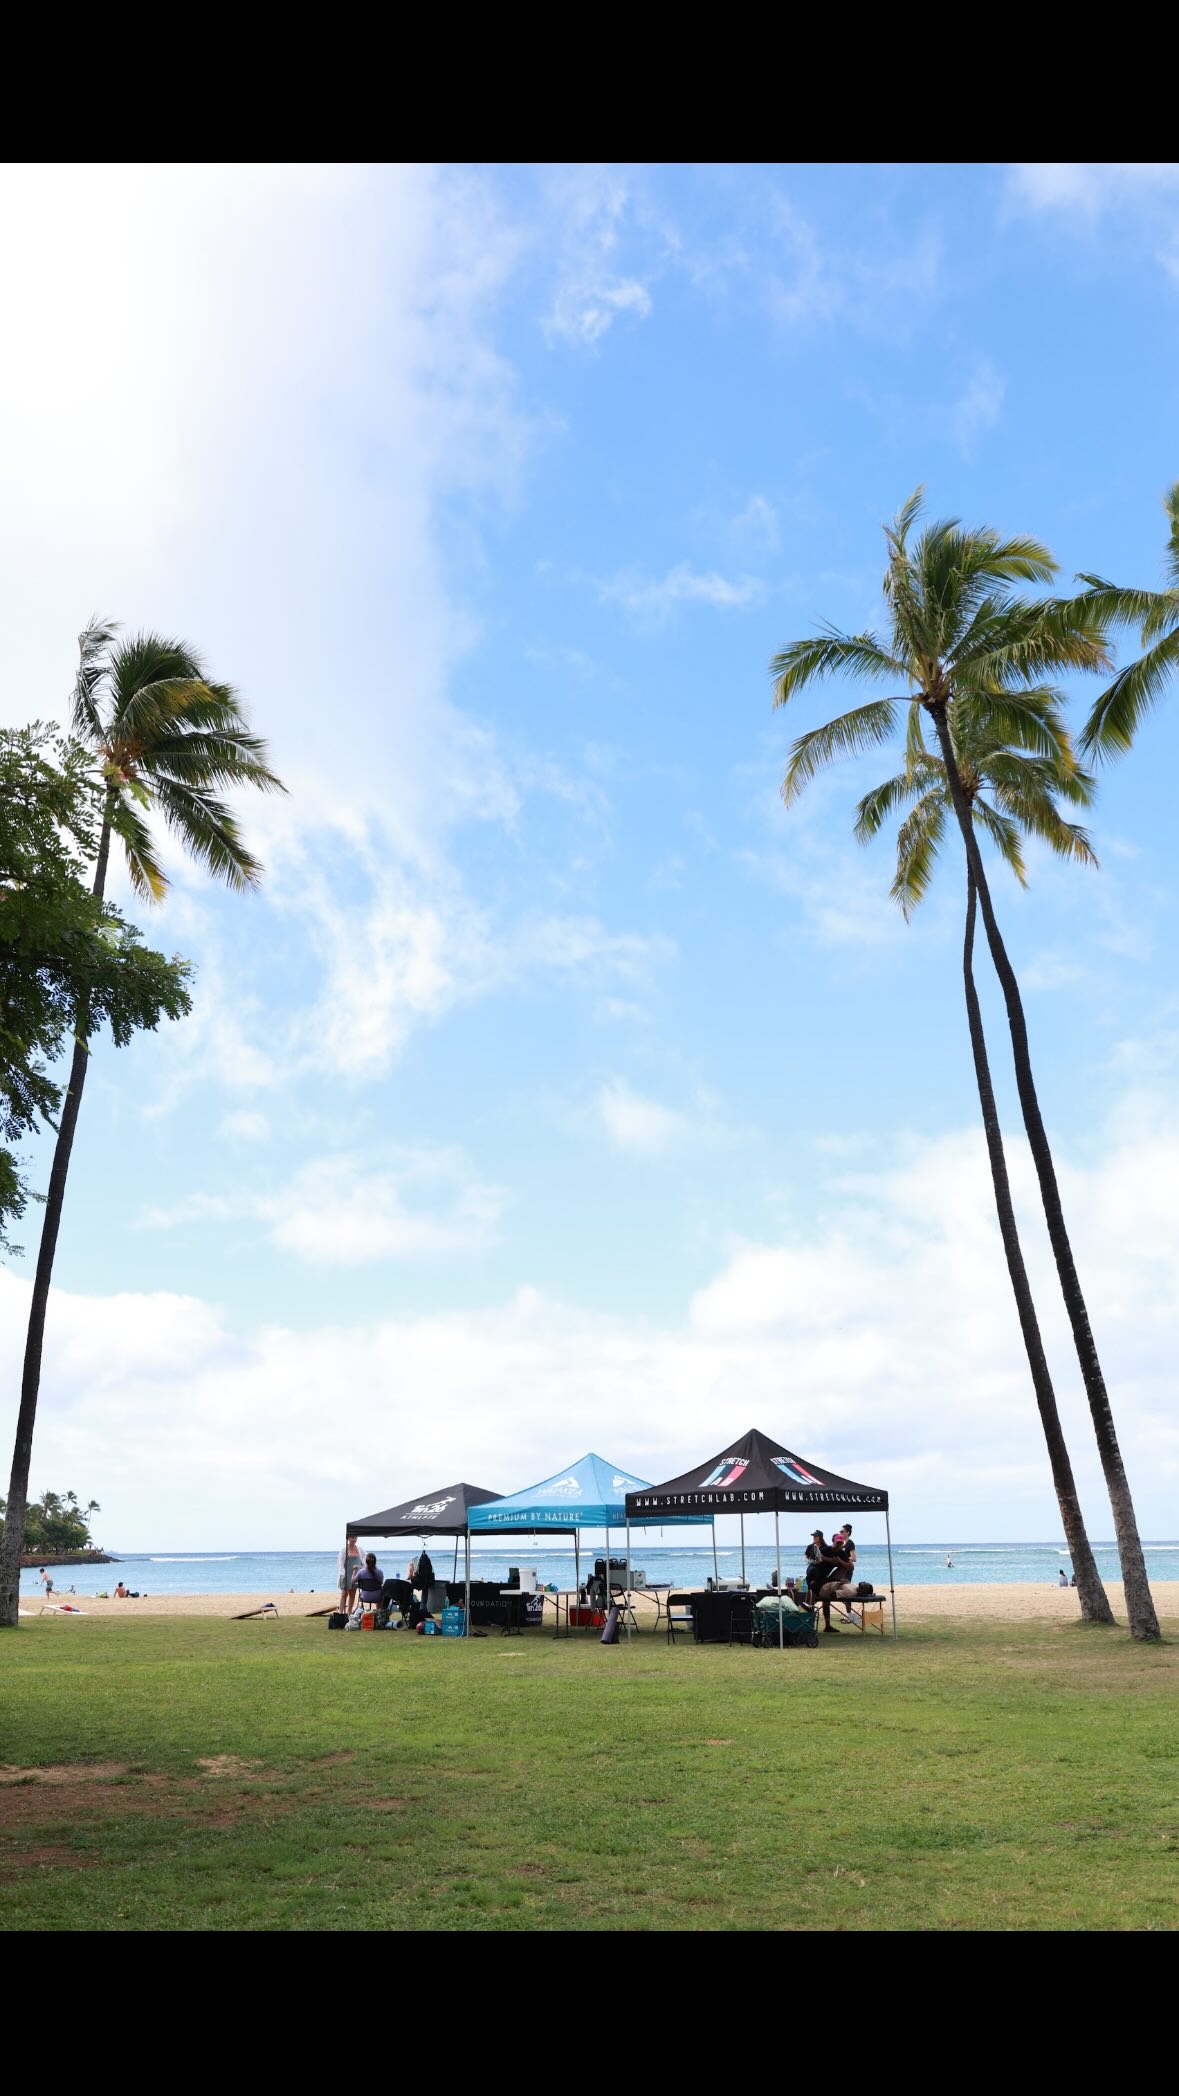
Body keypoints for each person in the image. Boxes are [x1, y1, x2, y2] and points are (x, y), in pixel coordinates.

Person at [337, 1535, 361, 1615]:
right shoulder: (344, 1550)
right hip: (346, 1575)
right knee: (344, 1594)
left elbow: (364, 1558)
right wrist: (343, 1574)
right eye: (352, 1537)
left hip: (355, 1575)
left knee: (353, 1594)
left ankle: (349, 1613)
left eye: (355, 1538)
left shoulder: (359, 1549)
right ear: (348, 1538)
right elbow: (340, 1563)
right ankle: (341, 1613)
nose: (354, 1539)